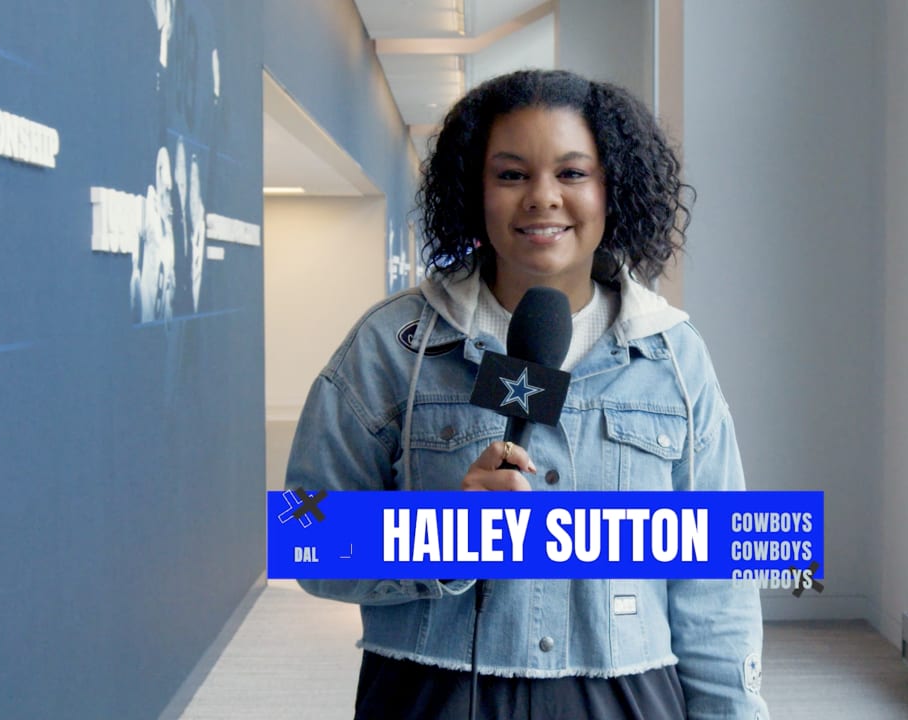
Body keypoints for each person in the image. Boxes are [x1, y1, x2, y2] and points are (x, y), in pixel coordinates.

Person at [286, 69, 770, 720]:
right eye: (511, 174)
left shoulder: (673, 358)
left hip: (626, 696)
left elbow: (718, 582)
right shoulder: (391, 346)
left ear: (612, 189)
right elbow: (303, 531)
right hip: (436, 695)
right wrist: (443, 536)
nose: (543, 198)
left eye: (572, 173)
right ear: (474, 191)